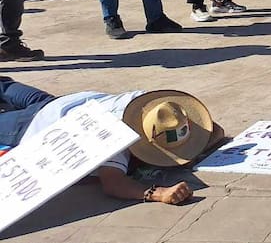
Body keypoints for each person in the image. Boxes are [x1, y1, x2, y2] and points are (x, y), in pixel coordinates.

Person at [0, 78, 224, 206]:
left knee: (6, 86)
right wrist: (158, 193)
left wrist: (188, 150)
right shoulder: (116, 136)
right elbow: (113, 183)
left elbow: (216, 131)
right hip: (35, 124)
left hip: (65, 103)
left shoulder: (151, 106)